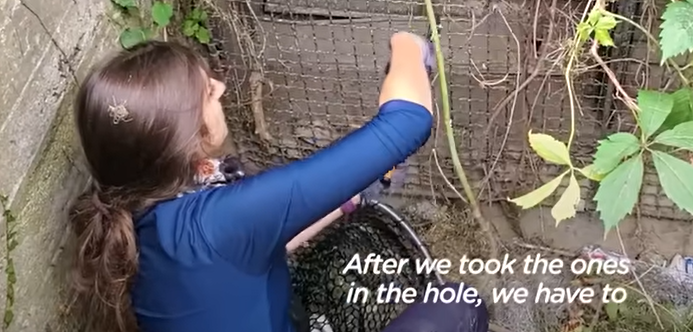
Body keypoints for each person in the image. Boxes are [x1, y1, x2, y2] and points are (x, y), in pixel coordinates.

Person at [68, 33, 489, 332]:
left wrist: (350, 197)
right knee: (459, 306)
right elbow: (408, 122)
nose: (221, 87)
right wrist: (409, 46)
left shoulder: (137, 206)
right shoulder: (220, 221)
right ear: (185, 134)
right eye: (209, 95)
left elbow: (253, 246)